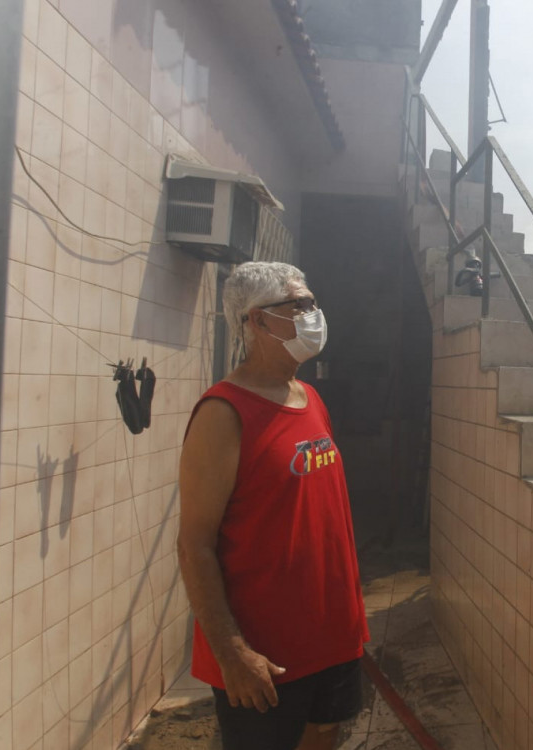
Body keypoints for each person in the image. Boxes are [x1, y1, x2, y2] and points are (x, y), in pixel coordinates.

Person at [177, 261, 368, 750]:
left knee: (325, 736)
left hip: (332, 639)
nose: (313, 314)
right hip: (267, 656)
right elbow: (195, 543)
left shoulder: (310, 398)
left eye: (312, 303)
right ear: (256, 322)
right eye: (298, 305)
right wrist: (232, 652)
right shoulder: (223, 413)